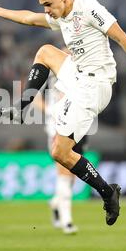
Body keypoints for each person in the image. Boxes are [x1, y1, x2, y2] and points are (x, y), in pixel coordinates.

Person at [0, 0, 126, 226]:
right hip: (78, 77)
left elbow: (121, 38)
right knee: (46, 51)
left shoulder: (88, 8)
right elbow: (28, 18)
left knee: (60, 152)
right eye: (43, 5)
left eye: (48, 4)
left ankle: (107, 192)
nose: (46, 10)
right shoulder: (60, 17)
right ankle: (22, 106)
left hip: (95, 85)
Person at [34, 72, 86, 235]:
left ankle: (56, 202)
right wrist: (52, 110)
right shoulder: (50, 77)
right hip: (56, 130)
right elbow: (34, 98)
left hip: (79, 129)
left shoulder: (82, 73)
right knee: (63, 174)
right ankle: (67, 221)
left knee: (71, 177)